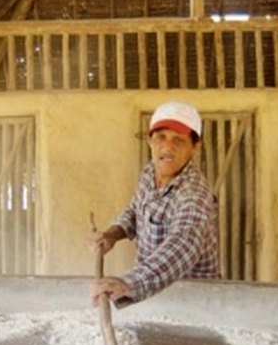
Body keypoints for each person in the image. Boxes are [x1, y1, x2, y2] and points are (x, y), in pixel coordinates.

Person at [89, 100, 220, 307]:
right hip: (154, 294)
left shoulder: (194, 194)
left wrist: (129, 283)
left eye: (178, 140)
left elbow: (183, 244)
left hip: (192, 302)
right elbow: (135, 210)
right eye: (160, 137)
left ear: (195, 147)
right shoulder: (151, 172)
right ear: (150, 141)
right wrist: (112, 234)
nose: (167, 147)